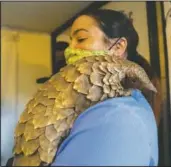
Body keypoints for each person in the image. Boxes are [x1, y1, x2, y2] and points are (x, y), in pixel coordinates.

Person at [50, 9, 161, 166]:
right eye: (70, 41)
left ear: (118, 47)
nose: (70, 49)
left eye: (81, 39)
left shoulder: (118, 116)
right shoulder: (99, 103)